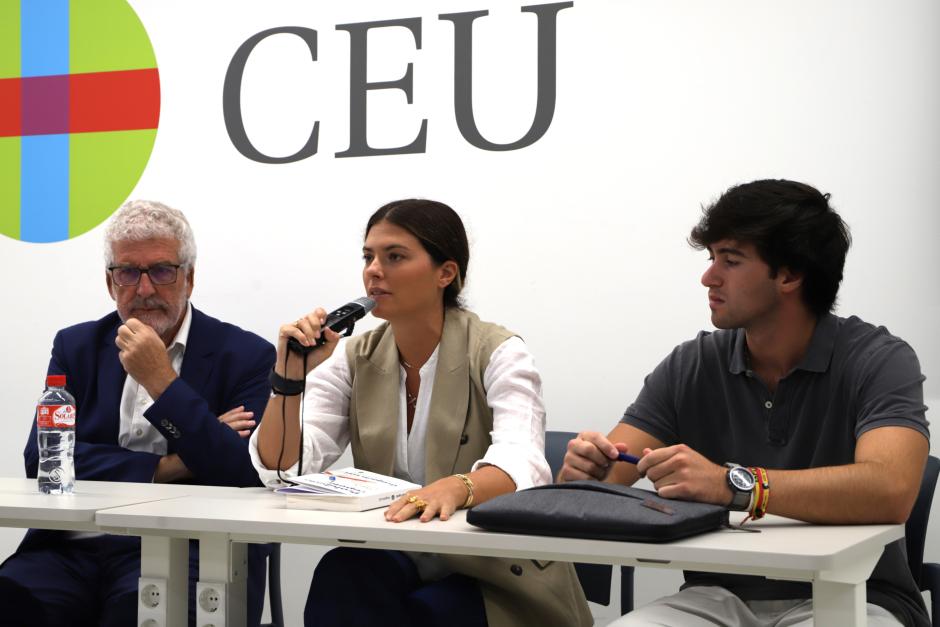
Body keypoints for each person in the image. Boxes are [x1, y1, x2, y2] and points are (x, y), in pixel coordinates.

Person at [560, 179, 930, 627]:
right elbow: (609, 478)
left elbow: (890, 490)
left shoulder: (878, 359)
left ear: (789, 275)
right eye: (712, 258)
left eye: (730, 261)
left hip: (854, 596)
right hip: (715, 597)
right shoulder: (692, 363)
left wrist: (732, 484)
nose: (708, 277)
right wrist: (586, 471)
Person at [250, 199, 591, 627]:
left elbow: (523, 465)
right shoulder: (352, 355)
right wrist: (289, 378)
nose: (374, 270)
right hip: (402, 551)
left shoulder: (498, 350)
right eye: (368, 257)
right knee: (343, 575)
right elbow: (282, 469)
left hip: (494, 566)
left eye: (395, 257)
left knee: (431, 611)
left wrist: (456, 487)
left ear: (445, 273)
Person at [0, 200, 275, 627]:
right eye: (128, 272)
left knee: (140, 612)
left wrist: (162, 382)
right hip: (72, 546)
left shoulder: (247, 355)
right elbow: (44, 460)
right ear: (111, 284)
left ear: (190, 278)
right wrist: (171, 465)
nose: (144, 289)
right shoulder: (76, 347)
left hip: (188, 547)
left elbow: (244, 469)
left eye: (162, 271)